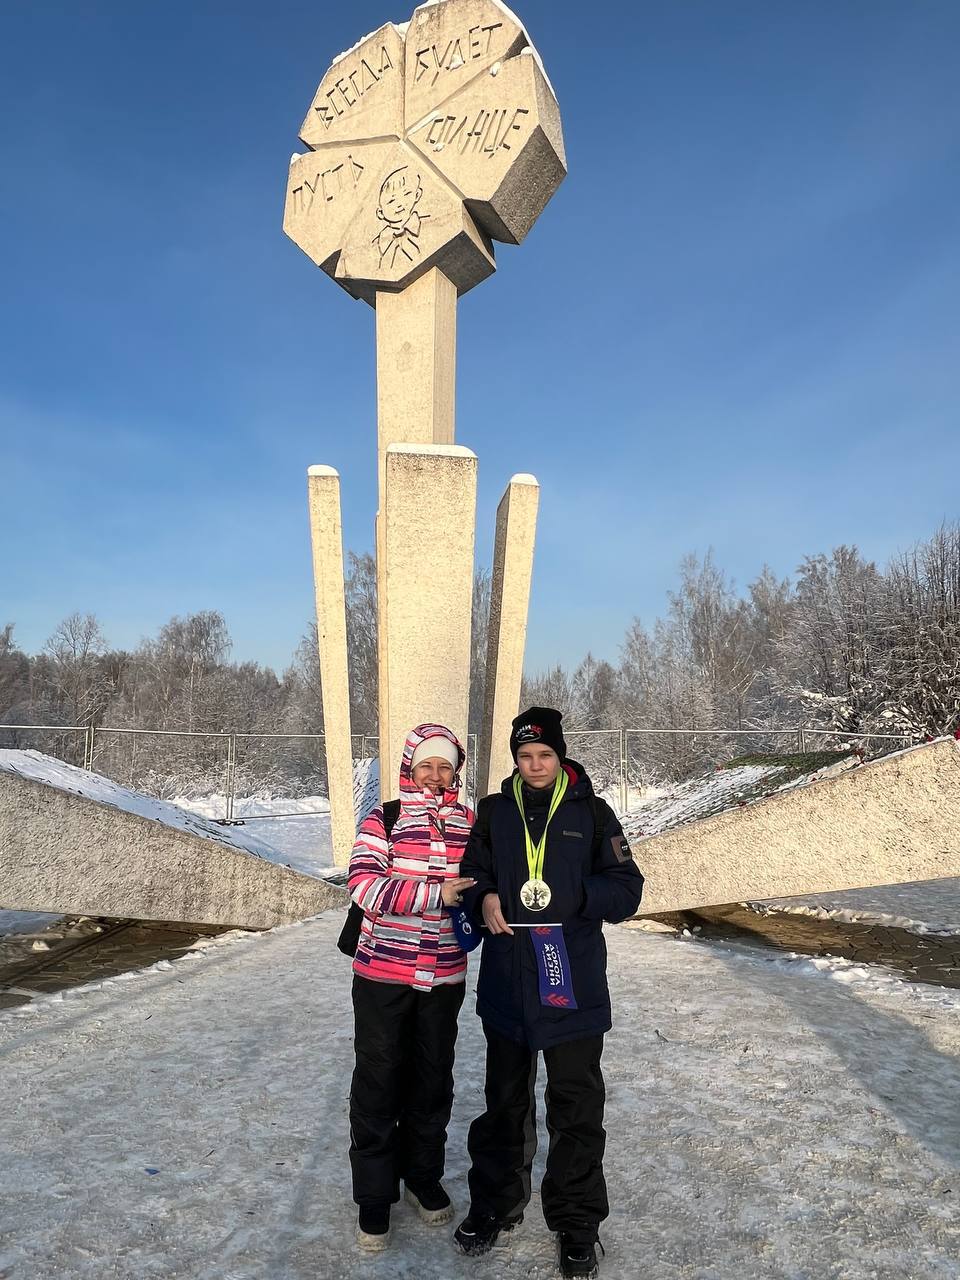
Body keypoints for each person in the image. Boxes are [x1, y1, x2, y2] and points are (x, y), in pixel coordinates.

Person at [455, 707, 644, 1280]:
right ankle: (496, 1203)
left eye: (544, 755)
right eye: (525, 756)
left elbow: (627, 890)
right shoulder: (494, 812)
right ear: (515, 759)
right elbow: (470, 874)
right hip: (509, 984)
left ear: (561, 757)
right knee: (504, 1103)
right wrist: (483, 897)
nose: (535, 765)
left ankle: (577, 1222)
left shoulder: (593, 813)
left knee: (576, 1108)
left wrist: (576, 896)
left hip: (573, 984)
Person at [346, 723, 476, 1251]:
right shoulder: (385, 819)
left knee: (432, 1082)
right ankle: (374, 1196)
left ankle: (422, 1176)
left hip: (444, 976)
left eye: (445, 766)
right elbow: (363, 885)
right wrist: (435, 893)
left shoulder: (470, 822)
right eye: (426, 765)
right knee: (378, 1083)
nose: (435, 775)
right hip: (383, 975)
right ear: (409, 768)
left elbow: (485, 882)